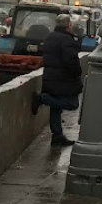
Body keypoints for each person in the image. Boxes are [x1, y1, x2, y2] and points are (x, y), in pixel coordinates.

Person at [30, 14, 83, 147]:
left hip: (51, 77)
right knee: (72, 104)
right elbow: (71, 60)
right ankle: (42, 99)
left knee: (56, 108)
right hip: (63, 79)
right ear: (68, 25)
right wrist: (77, 73)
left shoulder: (50, 37)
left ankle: (57, 136)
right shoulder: (66, 39)